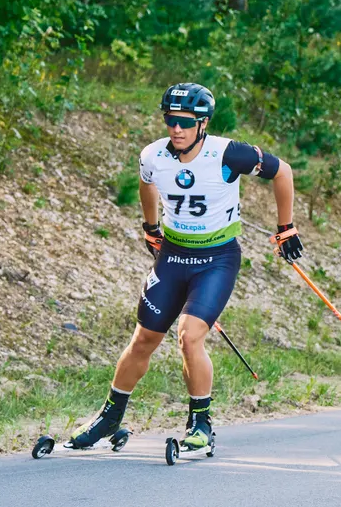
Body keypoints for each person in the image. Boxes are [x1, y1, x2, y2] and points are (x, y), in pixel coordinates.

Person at [65, 84, 304, 451]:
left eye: (184, 123)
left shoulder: (228, 153)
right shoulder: (153, 155)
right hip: (173, 256)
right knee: (143, 339)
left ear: (203, 123)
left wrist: (285, 227)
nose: (176, 129)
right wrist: (150, 227)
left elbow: (282, 171)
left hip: (217, 260)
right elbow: (147, 185)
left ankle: (201, 424)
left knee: (189, 336)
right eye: (170, 121)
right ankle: (109, 418)